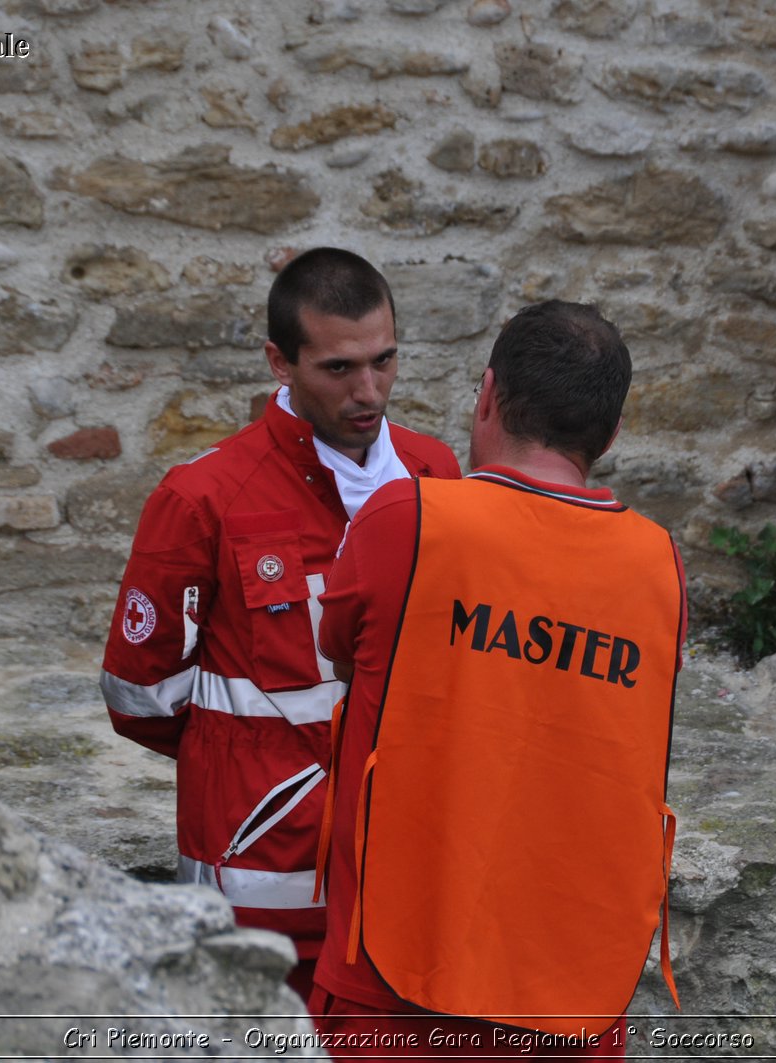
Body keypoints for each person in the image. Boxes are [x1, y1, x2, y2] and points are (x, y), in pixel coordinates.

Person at [311, 300, 688, 1059]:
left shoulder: (405, 519)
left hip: (396, 977)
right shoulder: (661, 566)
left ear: (485, 396)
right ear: (610, 435)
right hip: (572, 991)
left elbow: (339, 657)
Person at [100, 248, 460, 1001]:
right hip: (254, 876)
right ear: (279, 360)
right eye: (339, 369)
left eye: (385, 360)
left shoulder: (436, 476)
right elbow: (141, 697)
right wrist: (255, 767)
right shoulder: (202, 496)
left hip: (398, 873)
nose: (370, 390)